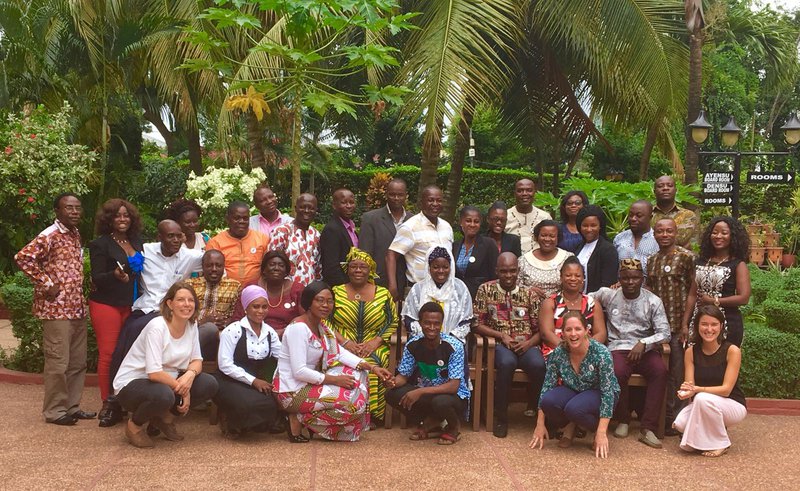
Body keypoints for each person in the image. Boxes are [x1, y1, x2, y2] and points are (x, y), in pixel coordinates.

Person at [274, 281, 392, 442]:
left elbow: (339, 353)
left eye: (330, 301)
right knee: (351, 406)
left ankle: (303, 417)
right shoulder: (298, 328)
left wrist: (372, 367)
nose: (325, 305)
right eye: (320, 300)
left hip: (312, 383)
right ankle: (298, 418)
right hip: (291, 391)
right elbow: (299, 371)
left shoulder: (322, 326)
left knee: (359, 374)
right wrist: (335, 380)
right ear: (308, 302)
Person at [108, 220, 204, 417]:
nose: (176, 240)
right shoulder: (145, 251)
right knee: (128, 336)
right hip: (147, 309)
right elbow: (121, 255)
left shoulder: (189, 256)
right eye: (170, 236)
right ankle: (114, 400)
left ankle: (165, 398)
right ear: (159, 237)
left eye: (179, 236)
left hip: (173, 309)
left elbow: (214, 261)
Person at [15, 193, 95, 425]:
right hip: (56, 310)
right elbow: (23, 258)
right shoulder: (49, 234)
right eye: (68, 208)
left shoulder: (75, 234)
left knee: (77, 362)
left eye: (77, 208)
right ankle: (55, 411)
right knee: (58, 362)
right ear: (57, 211)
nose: (74, 212)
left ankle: (71, 406)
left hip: (76, 308)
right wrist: (47, 283)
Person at [112, 282, 219, 448]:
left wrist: (189, 376)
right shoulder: (157, 327)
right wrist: (183, 391)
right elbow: (154, 373)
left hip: (168, 380)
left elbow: (197, 360)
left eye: (191, 300)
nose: (186, 304)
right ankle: (134, 427)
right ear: (170, 303)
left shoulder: (191, 325)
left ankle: (164, 420)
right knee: (164, 395)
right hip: (133, 383)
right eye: (181, 300)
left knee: (208, 383)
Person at [591, 259, 670, 449]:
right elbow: (583, 299)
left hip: (644, 348)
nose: (630, 282)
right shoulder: (608, 295)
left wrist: (644, 342)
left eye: (635, 278)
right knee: (616, 371)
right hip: (618, 346)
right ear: (619, 278)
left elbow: (665, 332)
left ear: (642, 279)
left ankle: (648, 427)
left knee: (660, 371)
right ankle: (623, 419)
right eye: (625, 278)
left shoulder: (652, 300)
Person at [473, 253, 545, 438]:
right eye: (503, 271)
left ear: (518, 271)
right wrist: (501, 336)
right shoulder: (485, 290)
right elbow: (476, 323)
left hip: (527, 344)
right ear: (497, 270)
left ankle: (540, 414)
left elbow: (541, 329)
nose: (508, 275)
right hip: (498, 344)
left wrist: (529, 343)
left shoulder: (529, 294)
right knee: (506, 364)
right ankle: (501, 417)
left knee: (539, 365)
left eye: (512, 271)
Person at [529, 311, 620, 458]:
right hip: (574, 390)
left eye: (578, 329)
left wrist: (602, 433)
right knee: (548, 401)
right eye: (568, 329)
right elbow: (547, 385)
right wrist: (540, 424)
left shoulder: (601, 353)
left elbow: (607, 393)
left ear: (586, 330)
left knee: (575, 409)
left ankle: (595, 429)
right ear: (562, 333)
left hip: (599, 393)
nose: (573, 334)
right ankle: (571, 424)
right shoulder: (558, 352)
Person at [88, 199, 144, 427]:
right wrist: (114, 275)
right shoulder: (100, 244)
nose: (122, 219)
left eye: (126, 216)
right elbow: (96, 277)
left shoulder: (137, 241)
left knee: (129, 354)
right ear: (109, 219)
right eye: (117, 216)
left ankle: (124, 400)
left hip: (133, 304)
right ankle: (108, 402)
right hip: (107, 304)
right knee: (109, 354)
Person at [384, 302, 471, 445]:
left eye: (436, 324)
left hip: (453, 396)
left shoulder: (454, 346)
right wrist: (391, 382)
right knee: (392, 394)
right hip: (428, 393)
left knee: (441, 402)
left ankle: (454, 427)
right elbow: (403, 376)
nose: (432, 328)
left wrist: (419, 392)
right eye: (427, 323)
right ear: (420, 323)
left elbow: (453, 386)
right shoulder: (413, 344)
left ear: (442, 324)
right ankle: (433, 423)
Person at [329, 248, 398, 425]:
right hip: (341, 344)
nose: (358, 270)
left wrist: (376, 341)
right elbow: (325, 321)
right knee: (339, 362)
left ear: (371, 270)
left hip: (374, 344)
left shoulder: (383, 294)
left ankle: (371, 415)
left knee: (375, 363)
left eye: (363, 267)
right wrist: (344, 342)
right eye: (354, 266)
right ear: (347, 269)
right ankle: (342, 410)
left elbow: (392, 321)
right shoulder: (335, 293)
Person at [673, 305, 746, 457]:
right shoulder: (691, 352)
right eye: (704, 324)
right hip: (703, 402)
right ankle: (702, 440)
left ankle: (722, 443)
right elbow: (690, 386)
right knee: (680, 423)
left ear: (721, 326)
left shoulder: (732, 351)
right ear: (697, 326)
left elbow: (726, 390)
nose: (709, 329)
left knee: (701, 398)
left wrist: (697, 390)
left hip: (732, 405)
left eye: (714, 324)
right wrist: (685, 392)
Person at [646, 217, 695, 435]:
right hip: (657, 327)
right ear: (654, 234)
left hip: (678, 325)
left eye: (669, 231)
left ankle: (678, 420)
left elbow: (693, 293)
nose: (664, 235)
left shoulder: (687, 258)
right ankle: (663, 417)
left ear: (676, 233)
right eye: (660, 231)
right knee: (660, 373)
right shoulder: (652, 260)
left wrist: (686, 324)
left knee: (678, 373)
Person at [214, 285, 282, 439]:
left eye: (264, 307)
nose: (260, 311)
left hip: (255, 381)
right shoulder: (233, 330)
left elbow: (283, 356)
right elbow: (225, 365)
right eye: (255, 306)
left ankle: (250, 425)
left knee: (271, 403)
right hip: (228, 379)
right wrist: (254, 381)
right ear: (246, 308)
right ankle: (230, 422)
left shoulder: (269, 332)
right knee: (246, 404)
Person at [683, 217, 751, 347]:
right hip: (699, 322)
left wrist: (713, 301)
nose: (718, 236)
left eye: (724, 233)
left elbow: (744, 298)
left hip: (727, 323)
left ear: (733, 236)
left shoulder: (738, 264)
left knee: (725, 363)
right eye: (714, 232)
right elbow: (692, 295)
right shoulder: (701, 262)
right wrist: (684, 324)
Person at [387, 185, 454, 301]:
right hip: (418, 290)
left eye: (439, 200)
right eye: (430, 200)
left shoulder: (446, 227)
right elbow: (391, 255)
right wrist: (392, 285)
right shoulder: (410, 227)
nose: (435, 204)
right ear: (421, 203)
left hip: (445, 291)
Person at [401, 246, 473, 344]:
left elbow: (465, 321)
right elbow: (409, 319)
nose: (441, 271)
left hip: (453, 343)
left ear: (451, 267)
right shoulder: (418, 289)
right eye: (436, 267)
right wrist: (428, 336)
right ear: (429, 267)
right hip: (423, 341)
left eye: (445, 267)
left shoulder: (460, 289)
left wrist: (448, 340)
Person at [538, 257, 607, 358]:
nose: (573, 278)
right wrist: (568, 350)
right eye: (568, 275)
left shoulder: (593, 304)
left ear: (583, 279)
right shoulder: (550, 303)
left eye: (578, 275)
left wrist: (585, 348)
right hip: (558, 350)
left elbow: (601, 333)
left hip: (588, 351)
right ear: (561, 278)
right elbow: (546, 333)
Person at [232, 250, 304, 337]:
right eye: (272, 264)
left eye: (281, 265)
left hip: (288, 337)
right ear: (264, 269)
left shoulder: (297, 289)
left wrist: (285, 332)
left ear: (286, 271)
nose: (276, 268)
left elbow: (305, 319)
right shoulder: (252, 287)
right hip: (253, 336)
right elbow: (238, 318)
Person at [359, 177, 413, 290]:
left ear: (406, 195)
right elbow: (365, 254)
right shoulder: (370, 219)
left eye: (400, 195)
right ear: (386, 194)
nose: (396, 198)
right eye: (392, 194)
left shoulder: (413, 220)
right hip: (378, 283)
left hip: (407, 283)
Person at [186, 250, 241, 360]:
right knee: (209, 328)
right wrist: (202, 321)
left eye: (218, 265)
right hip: (192, 330)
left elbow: (237, 315)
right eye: (209, 265)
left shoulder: (235, 286)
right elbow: (180, 315)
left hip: (224, 334)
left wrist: (225, 323)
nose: (214, 269)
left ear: (224, 267)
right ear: (202, 267)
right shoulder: (190, 285)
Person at [206, 201, 269, 285]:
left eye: (245, 218)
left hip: (256, 292)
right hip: (225, 291)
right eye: (237, 218)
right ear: (227, 219)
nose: (241, 221)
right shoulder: (215, 242)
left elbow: (268, 268)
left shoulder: (262, 239)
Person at [270, 193, 321, 286]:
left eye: (311, 208)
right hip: (286, 291)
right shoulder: (282, 232)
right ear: (295, 208)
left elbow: (318, 267)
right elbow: (271, 264)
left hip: (310, 292)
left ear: (316, 210)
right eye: (302, 207)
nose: (306, 211)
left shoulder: (316, 235)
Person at [518, 219, 574, 298]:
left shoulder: (568, 258)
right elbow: (515, 287)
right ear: (537, 237)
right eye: (543, 235)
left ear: (558, 238)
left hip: (560, 306)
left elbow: (575, 283)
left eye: (552, 236)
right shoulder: (523, 260)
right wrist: (528, 290)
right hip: (529, 306)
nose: (547, 239)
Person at [453, 206, 498, 299]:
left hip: (481, 299)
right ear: (461, 222)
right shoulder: (455, 246)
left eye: (476, 221)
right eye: (468, 221)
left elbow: (495, 276)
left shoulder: (488, 244)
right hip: (458, 297)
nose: (472, 224)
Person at [574, 205, 618, 293]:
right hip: (578, 300)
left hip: (596, 302)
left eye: (593, 225)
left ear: (600, 226)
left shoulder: (608, 249)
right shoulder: (578, 247)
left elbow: (608, 283)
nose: (589, 229)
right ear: (580, 227)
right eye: (585, 225)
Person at [320, 188, 359, 287]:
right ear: (334, 205)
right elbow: (331, 267)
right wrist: (345, 289)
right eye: (344, 203)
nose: (349, 206)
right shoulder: (332, 229)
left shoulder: (351, 228)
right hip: (340, 289)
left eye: (351, 202)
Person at [505, 178, 552, 254]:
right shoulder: (506, 216)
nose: (524, 194)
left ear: (534, 193)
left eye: (529, 190)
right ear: (515, 193)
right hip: (511, 263)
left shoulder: (545, 217)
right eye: (520, 191)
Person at [613, 200, 659, 277]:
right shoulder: (619, 238)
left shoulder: (657, 240)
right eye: (631, 215)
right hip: (621, 287)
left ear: (650, 217)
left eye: (639, 216)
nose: (633, 219)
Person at [652, 175, 699, 248]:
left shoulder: (688, 215)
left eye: (669, 185)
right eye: (660, 186)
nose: (665, 188)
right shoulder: (646, 215)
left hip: (682, 257)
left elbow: (683, 240)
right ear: (654, 191)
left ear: (675, 190)